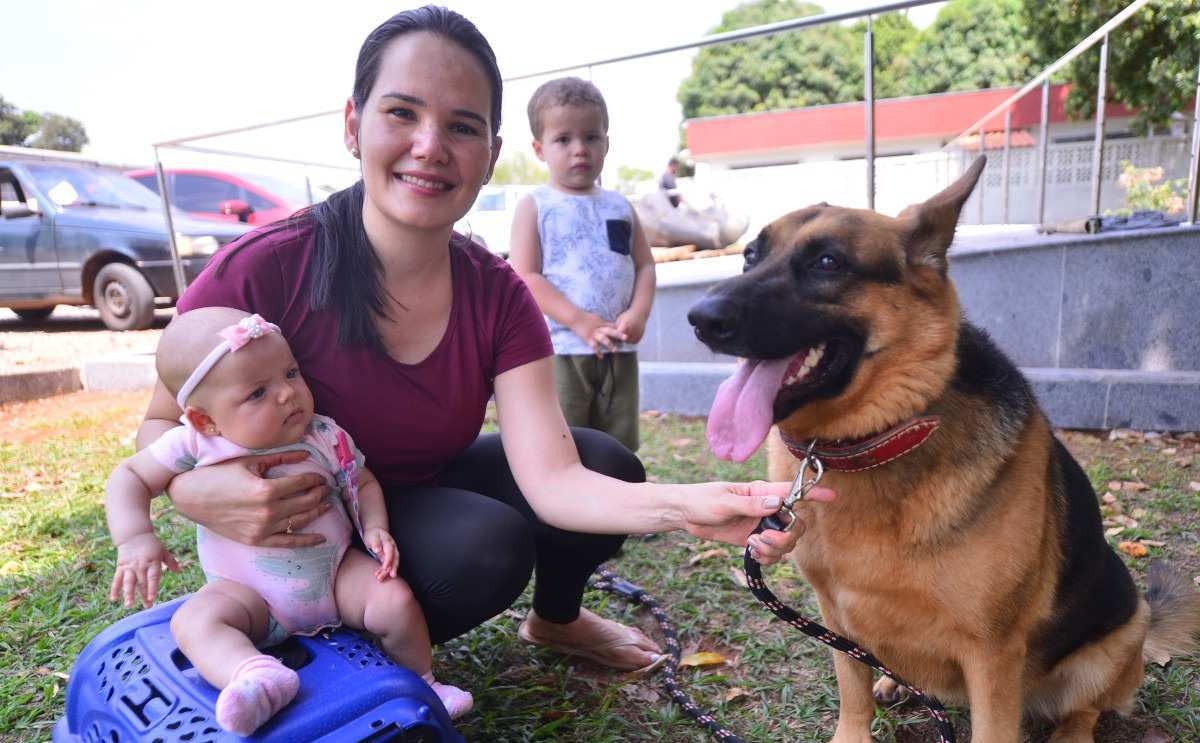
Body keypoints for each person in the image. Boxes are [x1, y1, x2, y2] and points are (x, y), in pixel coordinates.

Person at [136, 5, 833, 685]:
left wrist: (692, 504)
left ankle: (555, 620)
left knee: (607, 459)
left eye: (462, 126)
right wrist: (194, 491)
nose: (431, 145)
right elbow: (165, 422)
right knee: (482, 548)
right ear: (353, 125)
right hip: (305, 531)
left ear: (492, 153)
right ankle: (323, 648)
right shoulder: (263, 268)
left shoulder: (497, 293)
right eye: (401, 113)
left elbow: (556, 479)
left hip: (400, 494)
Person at [107, 307, 472, 735]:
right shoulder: (195, 443)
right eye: (258, 393)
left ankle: (425, 682)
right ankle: (254, 674)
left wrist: (375, 527)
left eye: (291, 373)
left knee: (393, 598)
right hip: (249, 595)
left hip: (334, 574)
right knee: (194, 622)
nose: (287, 394)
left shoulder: (324, 434)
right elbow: (128, 475)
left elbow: (365, 481)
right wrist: (135, 538)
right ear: (205, 418)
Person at [509, 77, 654, 452]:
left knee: (618, 444)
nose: (580, 150)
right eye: (564, 139)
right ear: (540, 148)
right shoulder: (536, 206)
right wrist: (579, 320)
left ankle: (620, 502)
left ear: (607, 142)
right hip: (561, 351)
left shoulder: (620, 206)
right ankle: (567, 509)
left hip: (618, 350)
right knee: (566, 443)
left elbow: (644, 267)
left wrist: (637, 314)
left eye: (591, 137)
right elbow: (525, 276)